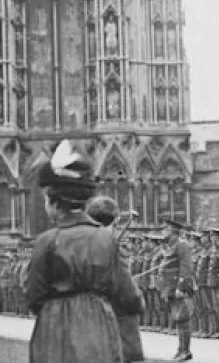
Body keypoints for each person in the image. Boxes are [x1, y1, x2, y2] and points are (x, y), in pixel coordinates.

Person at [24, 140, 144, 363]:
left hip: (55, 330)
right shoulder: (108, 240)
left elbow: (33, 296)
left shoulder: (47, 241)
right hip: (98, 327)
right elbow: (128, 295)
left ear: (54, 202)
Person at [86, 195, 145, 363]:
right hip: (116, 324)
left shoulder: (81, 245)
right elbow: (129, 294)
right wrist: (139, 303)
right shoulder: (112, 248)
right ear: (115, 220)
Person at [160, 218, 195, 361]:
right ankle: (181, 350)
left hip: (179, 288)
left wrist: (181, 286)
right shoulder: (171, 246)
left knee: (183, 318)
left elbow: (186, 267)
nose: (162, 231)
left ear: (172, 231)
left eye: (165, 229)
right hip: (170, 288)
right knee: (178, 319)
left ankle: (185, 351)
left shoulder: (182, 245)